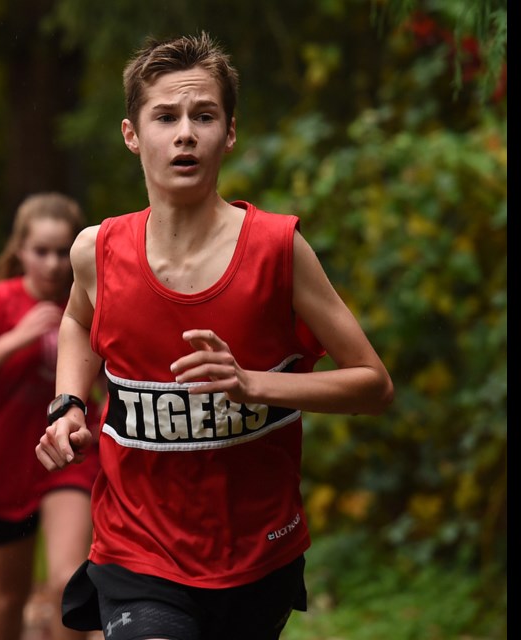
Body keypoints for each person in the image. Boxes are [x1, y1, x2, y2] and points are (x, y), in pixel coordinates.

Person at [35, 33, 395, 640]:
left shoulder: (278, 251)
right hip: (136, 549)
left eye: (203, 116)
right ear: (132, 134)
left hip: (257, 552)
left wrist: (256, 384)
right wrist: (70, 402)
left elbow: (373, 384)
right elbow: (76, 320)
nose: (184, 133)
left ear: (228, 134)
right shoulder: (96, 251)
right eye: (165, 117)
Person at [0, 193, 102, 640]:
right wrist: (17, 337)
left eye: (60, 252)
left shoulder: (94, 300)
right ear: (20, 251)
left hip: (71, 460)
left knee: (69, 580)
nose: (51, 264)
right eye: (40, 251)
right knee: (10, 592)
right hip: (7, 467)